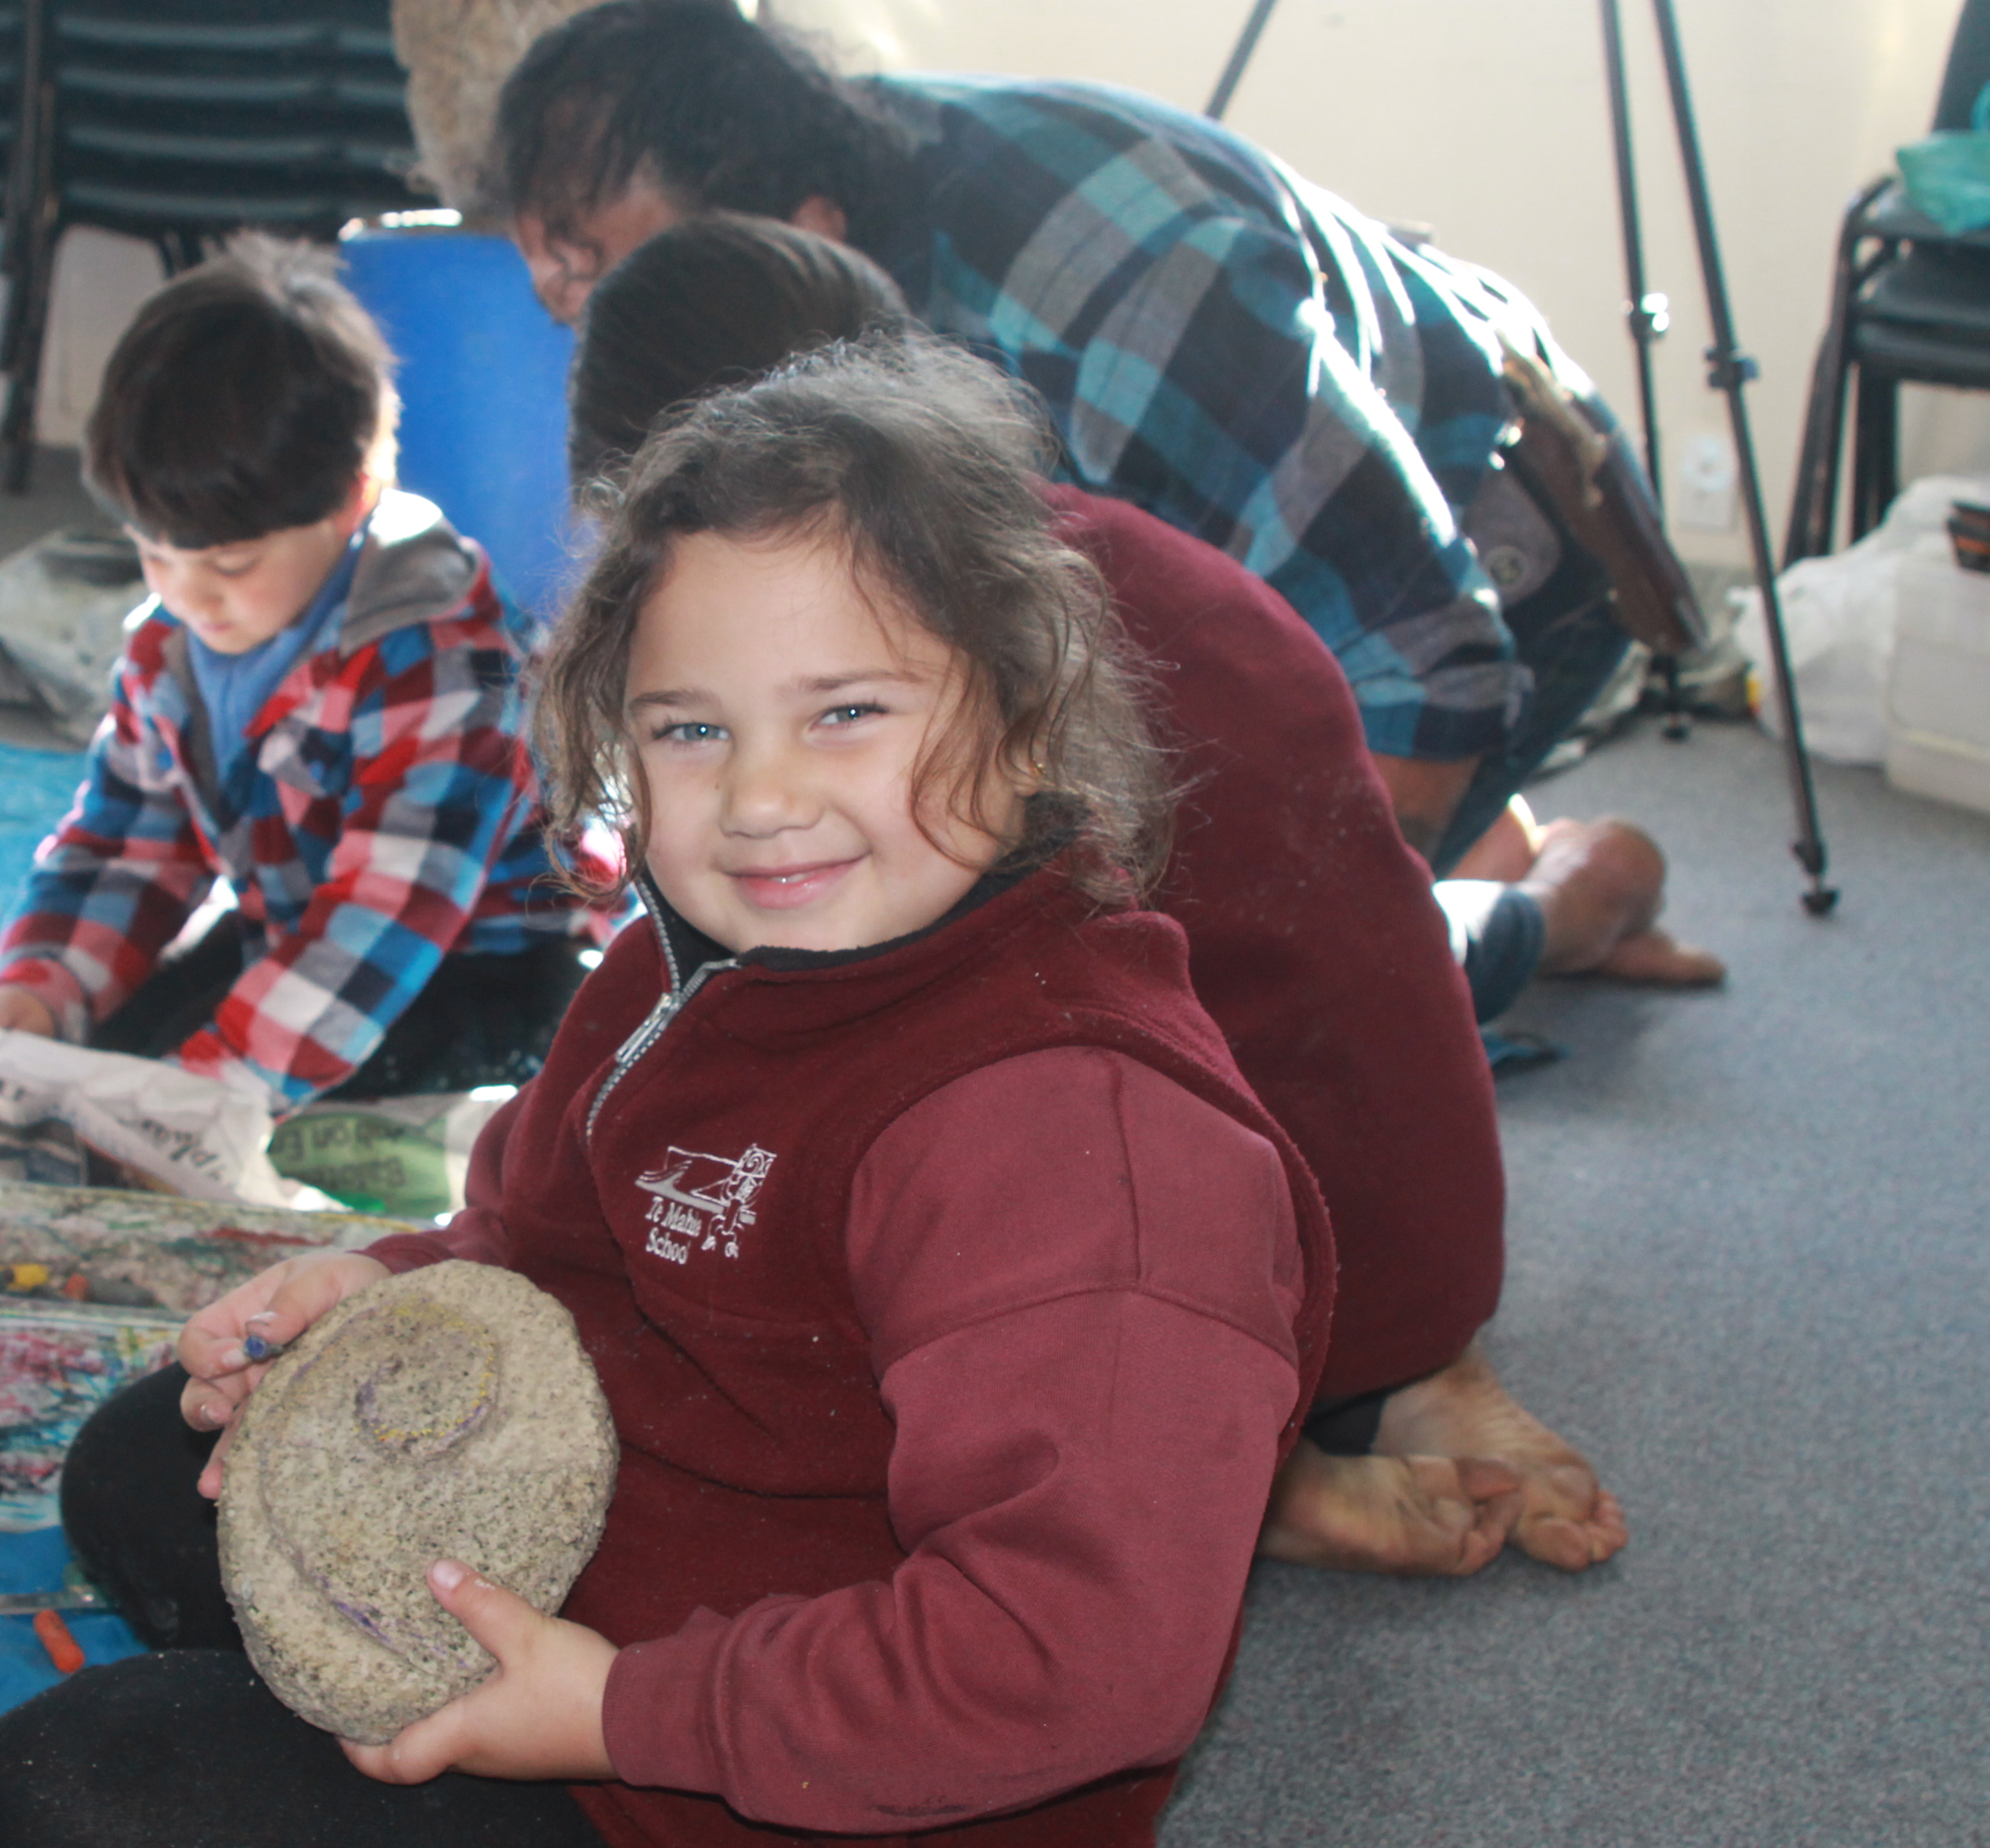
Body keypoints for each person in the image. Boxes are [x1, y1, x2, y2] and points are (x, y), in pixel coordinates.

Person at [0, 341, 1335, 1847]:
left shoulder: (1081, 1144)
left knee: (63, 1798)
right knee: (141, 1467)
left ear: (1024, 703)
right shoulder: (689, 960)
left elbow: (1076, 1657)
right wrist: (389, 1282)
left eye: (846, 712)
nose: (759, 798)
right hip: (610, 1548)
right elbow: (538, 1245)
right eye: (691, 728)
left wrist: (617, 1708)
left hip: (792, 1769)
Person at [568, 213, 1627, 1575]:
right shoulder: (1055, 585)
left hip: (1224, 1214)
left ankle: (1259, 1458)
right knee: (1483, 923)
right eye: (693, 725)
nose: (760, 786)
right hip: (1388, 1171)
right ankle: (1376, 1375)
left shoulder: (991, 686)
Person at [488, 0, 1725, 1007]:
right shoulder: (810, 208)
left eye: (614, 272)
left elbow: (1430, 663)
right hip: (1262, 553)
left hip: (1503, 570)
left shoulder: (1123, 298)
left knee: (1204, 974)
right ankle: (1522, 864)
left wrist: (1340, 965)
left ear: (808, 231)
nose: (578, 318)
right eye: (555, 276)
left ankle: (1566, 905)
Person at [0, 237, 610, 1113]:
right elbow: (129, 845)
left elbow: (376, 924)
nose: (187, 595)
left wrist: (205, 1094)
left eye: (230, 564)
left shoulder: (452, 666)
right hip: (300, 928)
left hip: (488, 972)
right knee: (90, 1062)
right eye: (153, 553)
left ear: (352, 499)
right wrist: (39, 990)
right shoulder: (170, 644)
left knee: (177, 1110)